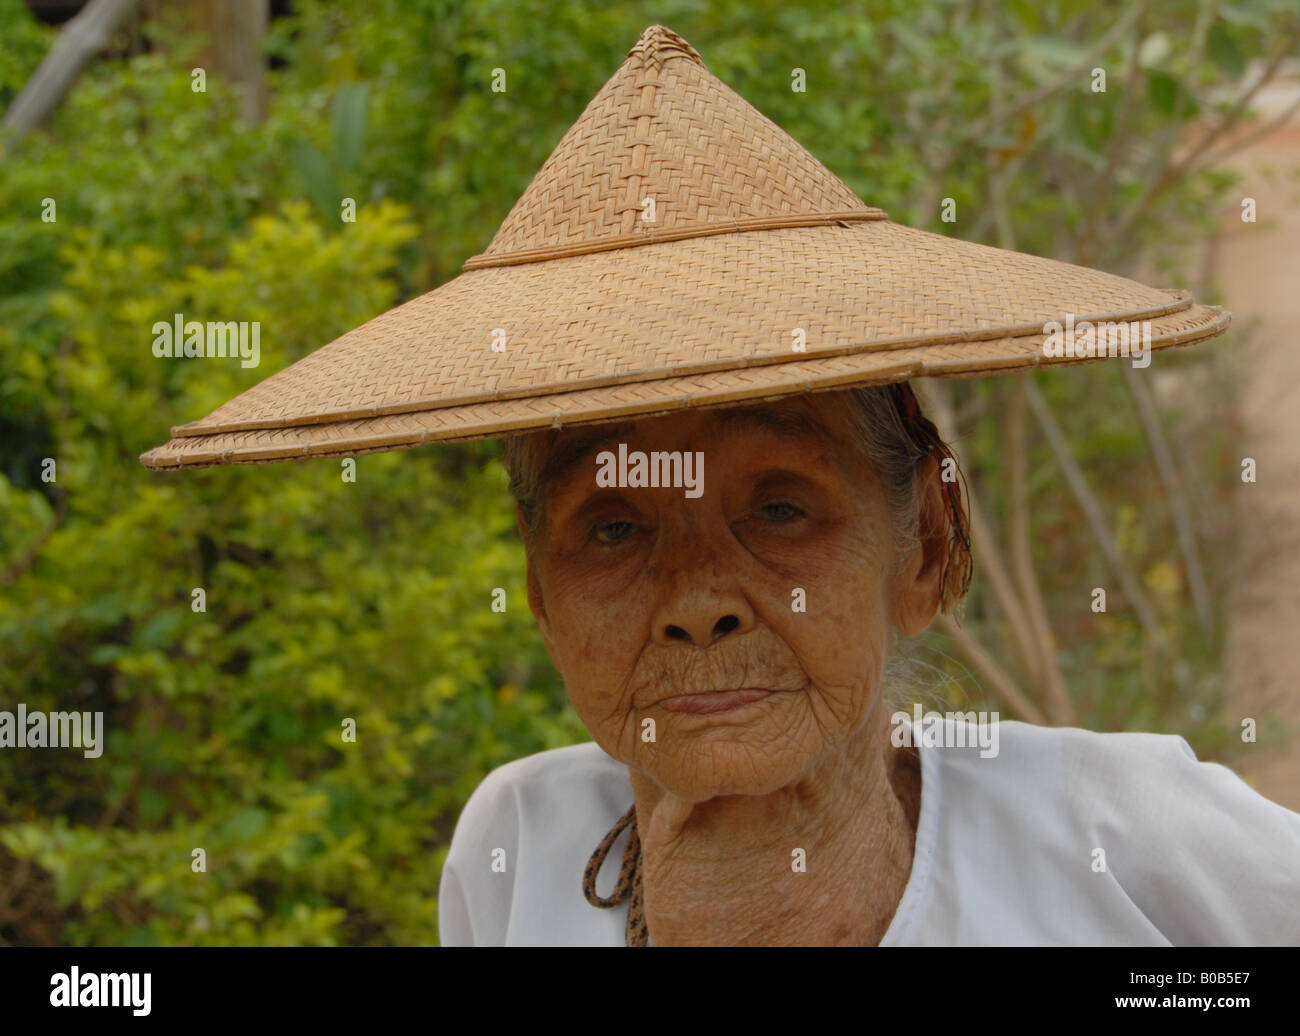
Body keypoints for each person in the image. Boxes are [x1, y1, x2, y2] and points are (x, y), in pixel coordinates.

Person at [142, 26, 1298, 945]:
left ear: (931, 544)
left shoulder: (1130, 844)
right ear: (539, 594)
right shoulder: (518, 848)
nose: (700, 598)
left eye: (780, 507)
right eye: (610, 526)